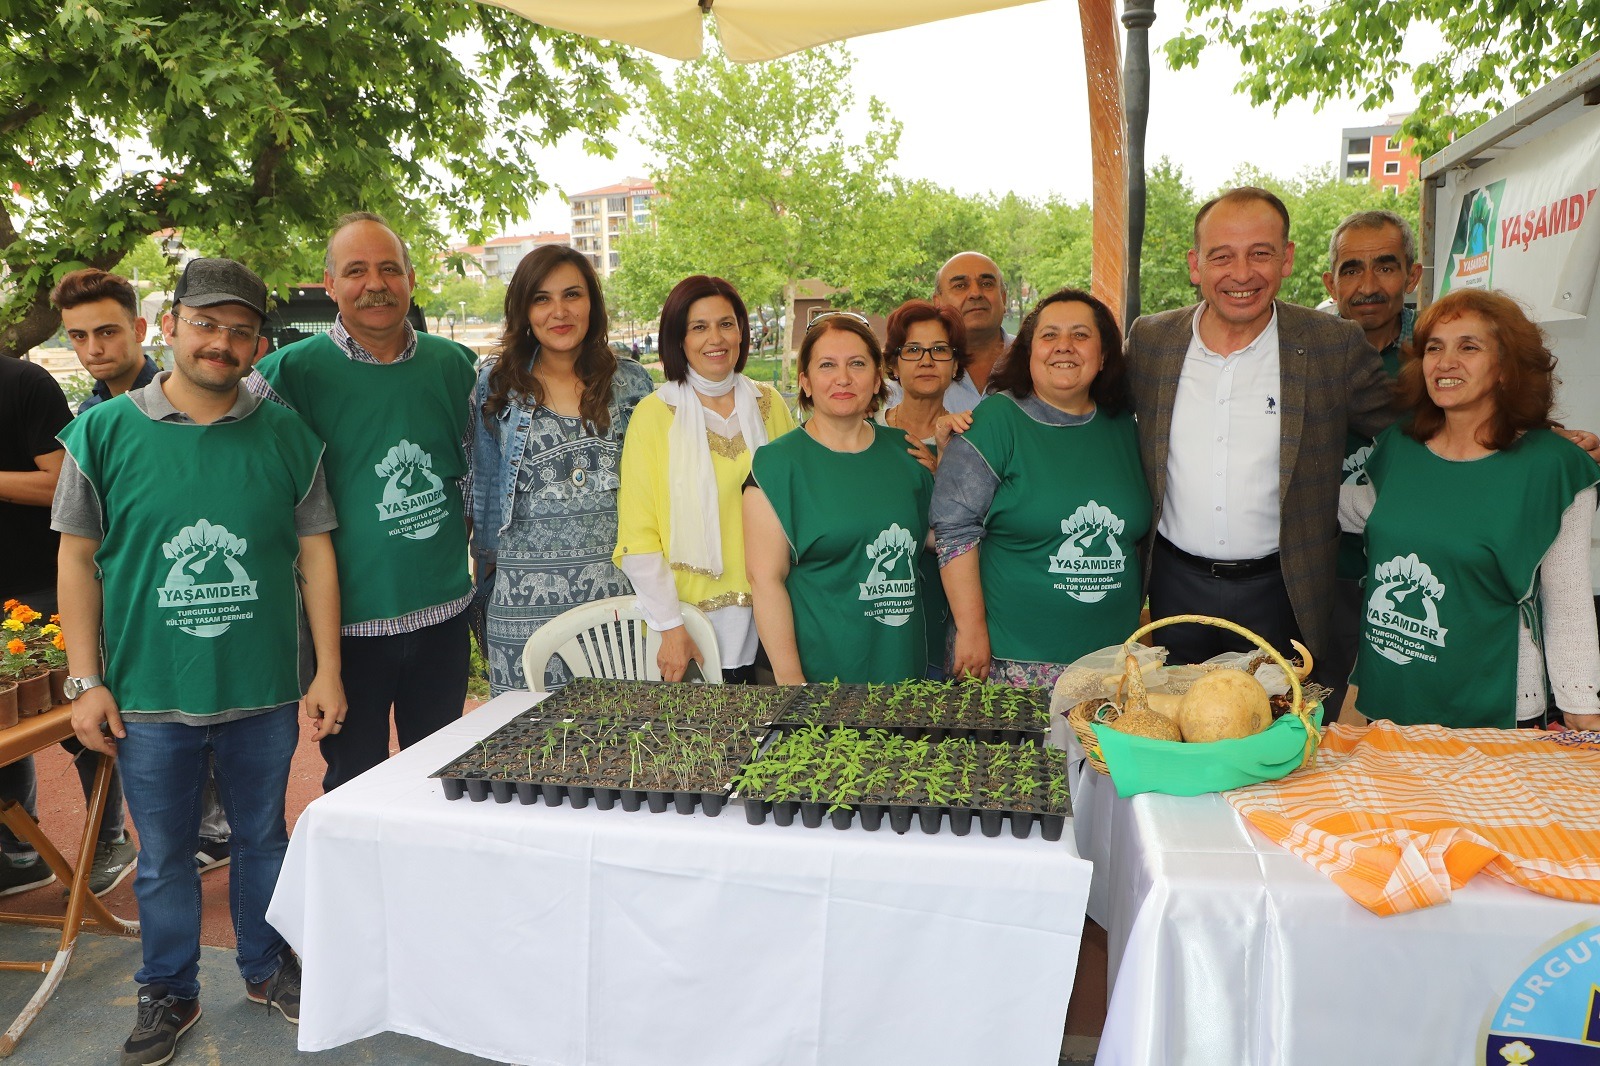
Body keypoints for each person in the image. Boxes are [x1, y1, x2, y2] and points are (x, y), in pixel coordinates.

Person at [54, 258, 345, 1065]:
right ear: (171, 324)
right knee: (162, 859)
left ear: (258, 344)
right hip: (148, 694)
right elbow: (76, 561)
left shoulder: (288, 436)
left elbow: (316, 557)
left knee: (263, 839)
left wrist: (326, 669)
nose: (222, 342)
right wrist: (85, 680)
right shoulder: (102, 435)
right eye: (207, 324)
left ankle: (265, 966)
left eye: (240, 330)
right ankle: (167, 988)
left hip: (262, 688)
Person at [1125, 187, 1396, 682]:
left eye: (1260, 254)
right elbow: (1086, 409)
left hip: (1283, 591)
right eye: (1222, 256)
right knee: (1173, 717)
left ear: (1286, 259)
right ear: (1195, 265)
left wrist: (1515, 432)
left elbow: (1411, 428)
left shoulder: (1331, 345)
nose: (1242, 273)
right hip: (1173, 586)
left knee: (1279, 722)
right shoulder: (1151, 341)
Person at [252, 212, 476, 791]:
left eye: (389, 269)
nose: (375, 283)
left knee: (443, 780)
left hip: (444, 617)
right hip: (345, 632)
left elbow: (477, 476)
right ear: (330, 284)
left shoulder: (454, 366)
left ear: (411, 279)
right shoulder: (284, 377)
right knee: (356, 784)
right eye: (355, 271)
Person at [1340, 289, 1599, 729]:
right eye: (1434, 348)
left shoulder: (1553, 468)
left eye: (1469, 347)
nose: (1446, 362)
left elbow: (1568, 604)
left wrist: (1583, 714)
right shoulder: (1399, 448)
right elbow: (1352, 510)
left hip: (1496, 710)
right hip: (1390, 701)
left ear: (1506, 368)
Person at [53, 267, 233, 875]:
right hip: (127, 603)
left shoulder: (192, 392)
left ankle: (214, 829)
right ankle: (134, 838)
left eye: (106, 332)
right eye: (78, 336)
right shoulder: (93, 415)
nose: (93, 349)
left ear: (142, 328)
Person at [933, 288, 1148, 687]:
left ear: (1103, 356)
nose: (1064, 346)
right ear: (1028, 352)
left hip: (1111, 665)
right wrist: (971, 628)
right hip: (1010, 663)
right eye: (1049, 335)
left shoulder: (1124, 426)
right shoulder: (995, 420)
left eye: (1080, 335)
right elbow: (954, 530)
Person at [470, 246, 652, 693]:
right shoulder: (495, 384)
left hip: (621, 608)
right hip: (523, 612)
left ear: (592, 302)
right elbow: (484, 492)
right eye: (541, 299)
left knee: (625, 732)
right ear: (524, 310)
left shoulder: (632, 383)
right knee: (527, 735)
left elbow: (655, 493)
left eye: (572, 294)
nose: (559, 311)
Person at [613, 275, 795, 683]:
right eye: (699, 327)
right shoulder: (654, 415)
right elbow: (639, 539)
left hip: (774, 619)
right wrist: (670, 627)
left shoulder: (770, 406)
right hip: (688, 625)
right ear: (679, 339)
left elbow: (798, 507)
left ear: (742, 331)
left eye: (726, 324)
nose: (716, 338)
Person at [744, 312, 933, 684]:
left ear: (877, 378)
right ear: (806, 382)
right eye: (827, 365)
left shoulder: (906, 452)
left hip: (904, 673)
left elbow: (940, 538)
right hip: (817, 680)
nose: (843, 378)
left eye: (857, 364)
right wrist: (792, 683)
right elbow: (765, 582)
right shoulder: (776, 466)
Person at [1320, 211, 1424, 714]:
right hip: (1323, 575)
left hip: (1417, 577)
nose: (1367, 286)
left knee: (1405, 723)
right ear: (1330, 283)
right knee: (1319, 717)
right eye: (1351, 269)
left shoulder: (1436, 354)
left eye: (1385, 267)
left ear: (1412, 275)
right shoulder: (1303, 354)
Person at [878, 298, 969, 677]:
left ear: (956, 365)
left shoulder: (971, 437)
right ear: (893, 365)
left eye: (940, 350)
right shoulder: (864, 430)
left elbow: (982, 534)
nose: (927, 361)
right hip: (874, 604)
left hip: (945, 613)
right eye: (913, 350)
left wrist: (939, 476)